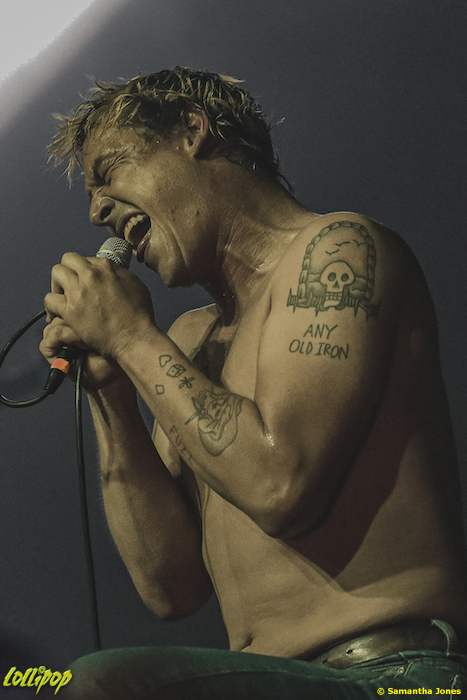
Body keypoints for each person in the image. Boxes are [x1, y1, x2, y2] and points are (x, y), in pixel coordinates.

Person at [40, 67, 467, 698]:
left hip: (397, 675)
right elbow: (171, 588)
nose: (97, 210)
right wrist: (112, 391)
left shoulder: (338, 251)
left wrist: (129, 337)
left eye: (110, 171)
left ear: (193, 131)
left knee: (102, 684)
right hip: (273, 679)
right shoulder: (189, 341)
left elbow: (279, 484)